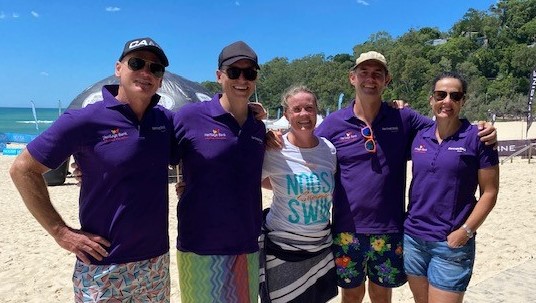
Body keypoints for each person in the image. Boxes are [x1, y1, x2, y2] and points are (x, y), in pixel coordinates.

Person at [313, 51, 497, 303]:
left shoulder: (404, 118)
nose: (370, 79)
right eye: (364, 73)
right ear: (352, 78)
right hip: (347, 228)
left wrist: (483, 129)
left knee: (381, 294)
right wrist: (275, 142)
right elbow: (307, 147)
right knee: (352, 295)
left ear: (387, 80)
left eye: (377, 74)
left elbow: (445, 125)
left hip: (391, 228)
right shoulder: (334, 123)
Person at [9, 37, 177, 302]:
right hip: (103, 265)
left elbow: (200, 147)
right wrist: (60, 232)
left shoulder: (165, 121)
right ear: (119, 68)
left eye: (155, 69)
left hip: (155, 262)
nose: (146, 72)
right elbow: (22, 169)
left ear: (161, 80)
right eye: (137, 63)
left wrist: (247, 112)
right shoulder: (84, 119)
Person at [173, 41, 266, 302]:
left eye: (249, 73)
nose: (242, 79)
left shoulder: (258, 128)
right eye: (234, 72)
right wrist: (92, 167)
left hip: (246, 245)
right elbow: (149, 153)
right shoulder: (189, 117)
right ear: (219, 76)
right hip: (199, 246)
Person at [403, 71, 499, 303]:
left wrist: (465, 232)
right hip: (414, 239)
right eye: (440, 95)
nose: (447, 101)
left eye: (455, 96)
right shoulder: (419, 137)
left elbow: (490, 191)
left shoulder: (477, 137)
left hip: (451, 242)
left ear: (463, 101)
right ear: (431, 99)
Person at [259, 85, 338, 302]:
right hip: (283, 248)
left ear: (316, 112)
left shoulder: (329, 150)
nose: (304, 114)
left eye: (309, 108)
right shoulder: (274, 149)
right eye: (297, 109)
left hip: (321, 246)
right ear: (286, 114)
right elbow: (247, 180)